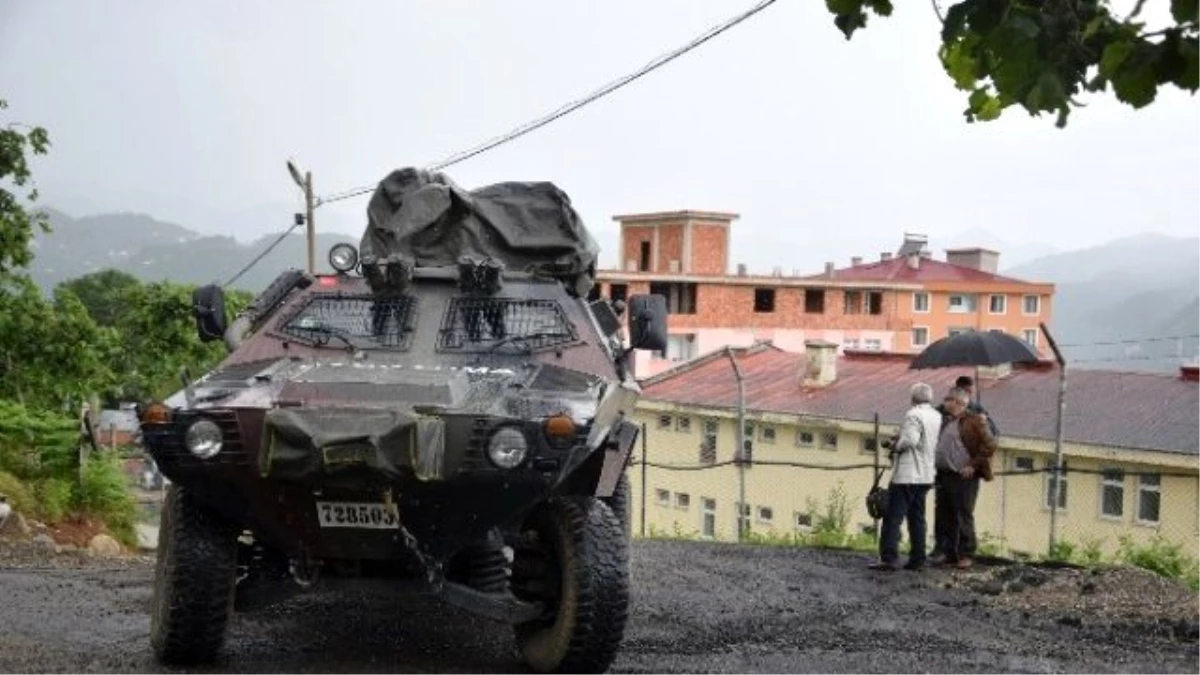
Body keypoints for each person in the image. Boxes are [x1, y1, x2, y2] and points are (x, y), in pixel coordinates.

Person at [870, 383, 942, 572]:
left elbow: (910, 440)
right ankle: (918, 559)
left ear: (913, 398)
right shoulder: (936, 416)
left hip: (908, 475)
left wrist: (895, 446)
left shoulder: (913, 415)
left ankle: (889, 558)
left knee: (893, 517)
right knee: (917, 517)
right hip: (926, 474)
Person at [931, 375, 999, 558]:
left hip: (964, 475)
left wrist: (973, 464)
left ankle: (965, 553)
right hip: (944, 473)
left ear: (959, 400)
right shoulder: (942, 415)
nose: (944, 401)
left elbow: (991, 442)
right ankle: (945, 549)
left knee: (963, 513)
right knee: (944, 512)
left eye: (948, 399)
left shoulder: (977, 415)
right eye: (946, 399)